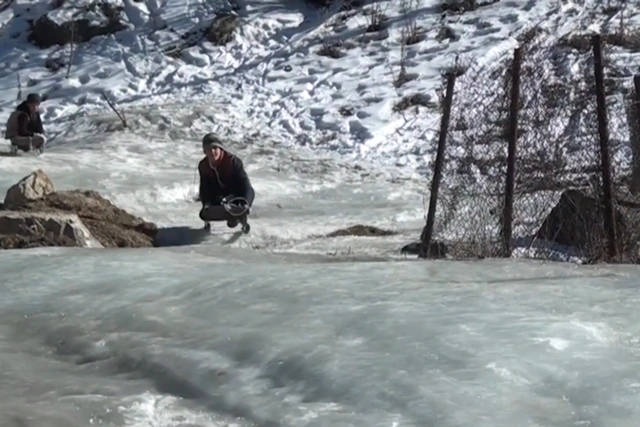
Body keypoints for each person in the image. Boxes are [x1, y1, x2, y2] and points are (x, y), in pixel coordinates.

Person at [197, 133, 255, 229]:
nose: (212, 152)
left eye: (215, 148)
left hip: (236, 194)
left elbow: (245, 185)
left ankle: (238, 214)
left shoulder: (233, 162)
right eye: (208, 149)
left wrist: (246, 203)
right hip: (218, 196)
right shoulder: (203, 165)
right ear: (205, 151)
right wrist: (205, 204)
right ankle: (230, 215)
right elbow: (204, 187)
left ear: (221, 149)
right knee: (207, 211)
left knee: (249, 192)